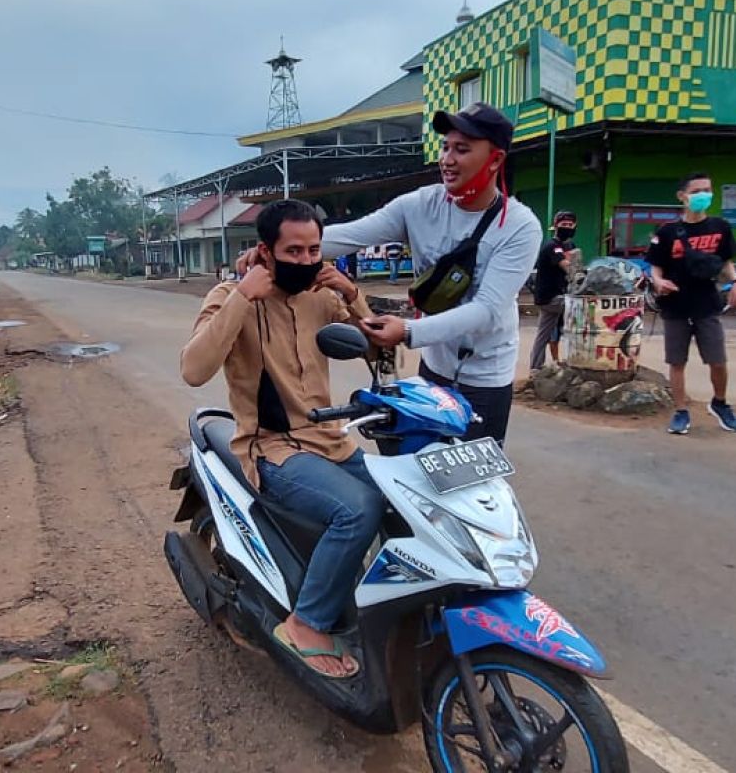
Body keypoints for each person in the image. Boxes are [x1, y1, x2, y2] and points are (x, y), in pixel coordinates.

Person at [236, 103, 540, 443]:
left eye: (462, 149)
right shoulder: (420, 205)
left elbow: (485, 311)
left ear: (495, 159)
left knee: (473, 484)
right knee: (422, 472)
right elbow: (347, 236)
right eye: (445, 147)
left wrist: (407, 331)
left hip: (486, 378)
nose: (447, 159)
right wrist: (275, 247)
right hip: (434, 371)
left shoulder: (520, 227)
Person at [180, 199, 383, 679]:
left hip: (332, 439)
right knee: (357, 510)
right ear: (265, 252)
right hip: (271, 447)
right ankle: (305, 623)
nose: (306, 260)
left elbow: (377, 345)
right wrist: (241, 296)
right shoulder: (232, 295)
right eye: (293, 251)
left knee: (400, 501)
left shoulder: (322, 297)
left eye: (313, 249)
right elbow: (193, 369)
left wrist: (352, 295)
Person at [645, 172, 736, 435]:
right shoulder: (667, 233)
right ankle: (680, 411)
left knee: (718, 360)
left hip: (707, 304)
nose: (703, 195)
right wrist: (658, 282)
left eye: (707, 190)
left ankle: (720, 403)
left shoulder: (720, 227)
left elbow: (725, 262)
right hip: (675, 305)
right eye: (697, 190)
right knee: (677, 362)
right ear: (682, 196)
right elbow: (654, 268)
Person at [530, 210, 578, 370]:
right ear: (556, 226)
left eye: (570, 225)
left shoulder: (569, 245)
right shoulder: (553, 246)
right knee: (581, 309)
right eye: (564, 225)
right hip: (550, 297)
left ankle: (536, 367)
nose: (567, 227)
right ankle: (577, 360)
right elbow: (567, 267)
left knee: (543, 333)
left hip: (558, 295)